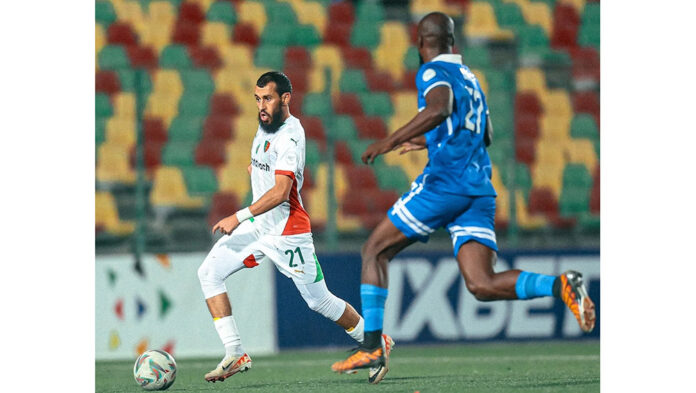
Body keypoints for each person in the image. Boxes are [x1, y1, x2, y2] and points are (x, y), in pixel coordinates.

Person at [331, 12, 596, 380]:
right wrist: (429, 139)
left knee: (374, 250)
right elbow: (483, 132)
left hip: (445, 185)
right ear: (453, 42)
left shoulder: (430, 71)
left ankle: (373, 345)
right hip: (479, 190)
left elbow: (439, 108)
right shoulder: (471, 77)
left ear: (422, 43)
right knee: (481, 284)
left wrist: (389, 141)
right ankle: (561, 284)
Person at [197, 71, 392, 383]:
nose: (261, 105)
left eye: (268, 98)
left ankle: (375, 342)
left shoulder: (290, 134)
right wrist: (255, 171)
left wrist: (238, 216)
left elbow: (280, 193)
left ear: (286, 98)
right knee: (209, 273)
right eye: (257, 98)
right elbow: (266, 169)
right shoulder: (265, 126)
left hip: (287, 231)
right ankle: (235, 352)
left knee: (319, 300)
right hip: (259, 229)